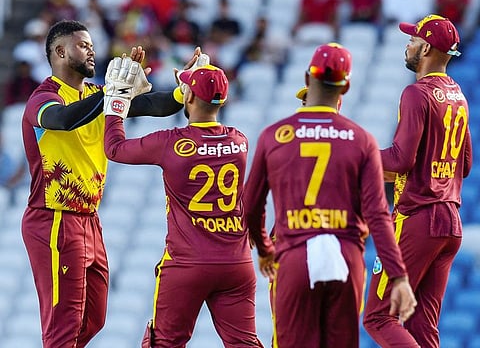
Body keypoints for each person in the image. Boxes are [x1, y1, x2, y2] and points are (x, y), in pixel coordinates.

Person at [20, 19, 201, 348]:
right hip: (54, 218)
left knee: (94, 318)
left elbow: (152, 105)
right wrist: (111, 92)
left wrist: (185, 89)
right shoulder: (43, 97)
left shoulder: (93, 95)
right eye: (82, 45)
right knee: (64, 324)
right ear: (60, 52)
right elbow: (61, 119)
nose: (91, 51)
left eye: (91, 45)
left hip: (89, 219)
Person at [244, 42, 417, 348]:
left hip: (294, 253)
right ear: (346, 87)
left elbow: (251, 206)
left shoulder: (275, 136)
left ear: (308, 80)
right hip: (345, 257)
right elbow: (378, 215)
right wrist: (399, 277)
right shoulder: (361, 140)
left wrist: (265, 248)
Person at [103, 62, 264, 348]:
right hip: (236, 264)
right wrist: (196, 84)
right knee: (245, 344)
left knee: (164, 343)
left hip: (186, 264)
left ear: (188, 97)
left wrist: (116, 103)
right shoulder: (240, 141)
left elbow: (114, 148)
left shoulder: (170, 142)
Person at [363, 14, 472, 348]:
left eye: (412, 40)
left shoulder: (416, 93)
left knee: (379, 317)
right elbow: (465, 165)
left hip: (418, 219)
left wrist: (358, 154)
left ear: (425, 47)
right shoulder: (458, 96)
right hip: (450, 222)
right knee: (423, 328)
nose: (408, 45)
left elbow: (400, 161)